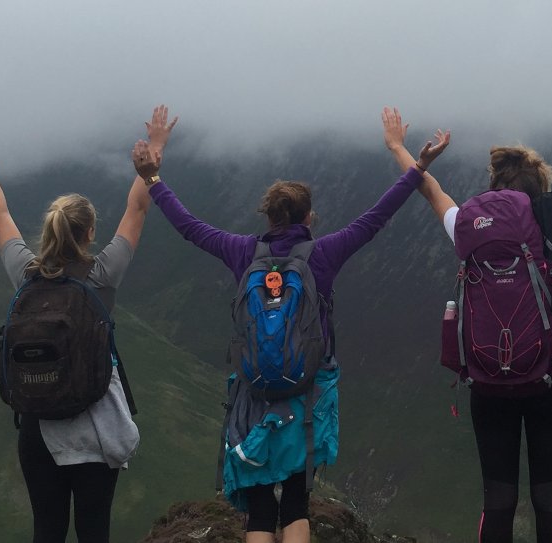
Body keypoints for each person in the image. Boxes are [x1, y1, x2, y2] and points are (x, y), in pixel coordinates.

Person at [145, 115, 448, 543]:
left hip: (252, 393)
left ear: (268, 218)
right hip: (308, 389)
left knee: (259, 508)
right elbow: (378, 216)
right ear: (309, 216)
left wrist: (152, 179)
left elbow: (188, 227)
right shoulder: (322, 254)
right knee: (295, 502)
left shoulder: (242, 252)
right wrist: (417, 165)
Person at [380, 104, 552, 543]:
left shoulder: (470, 229)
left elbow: (431, 191)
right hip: (548, 385)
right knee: (550, 499)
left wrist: (400, 148)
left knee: (498, 500)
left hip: (487, 386)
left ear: (495, 190)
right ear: (540, 190)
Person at [0, 104, 176, 543]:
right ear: (90, 232)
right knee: (94, 531)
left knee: (47, 531)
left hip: (38, 429)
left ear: (49, 231)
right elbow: (138, 208)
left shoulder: (26, 274)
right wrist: (154, 149)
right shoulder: (102, 275)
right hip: (94, 427)